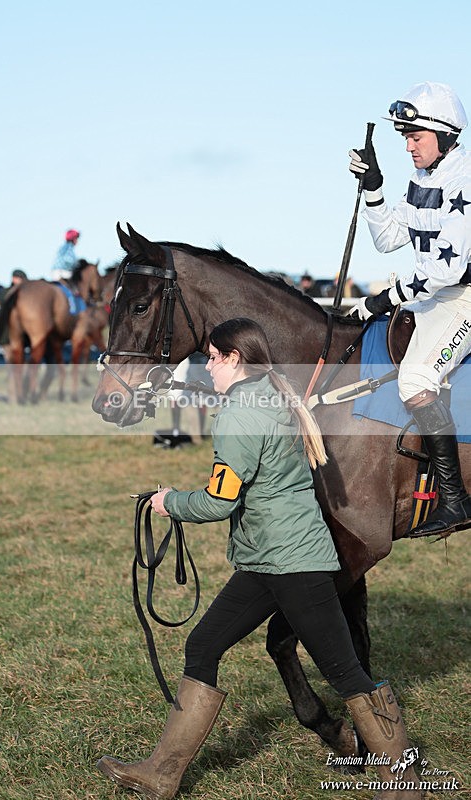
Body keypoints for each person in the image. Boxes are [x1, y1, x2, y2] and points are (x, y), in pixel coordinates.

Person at [97, 317, 421, 800]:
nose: (207, 366)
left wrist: (170, 502)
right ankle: (162, 774)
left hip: (293, 564)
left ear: (235, 358)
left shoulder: (241, 414)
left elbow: (220, 500)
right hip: (267, 561)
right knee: (204, 646)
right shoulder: (270, 394)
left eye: (212, 357)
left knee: (345, 672)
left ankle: (404, 784)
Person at [348, 81, 471, 538]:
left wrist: (384, 298)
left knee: (417, 378)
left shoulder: (464, 181)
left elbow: (447, 270)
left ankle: (454, 501)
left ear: (444, 136)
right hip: (431, 296)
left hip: (463, 297)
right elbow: (387, 240)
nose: (408, 146)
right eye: (405, 137)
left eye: (415, 137)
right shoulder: (423, 179)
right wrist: (375, 188)